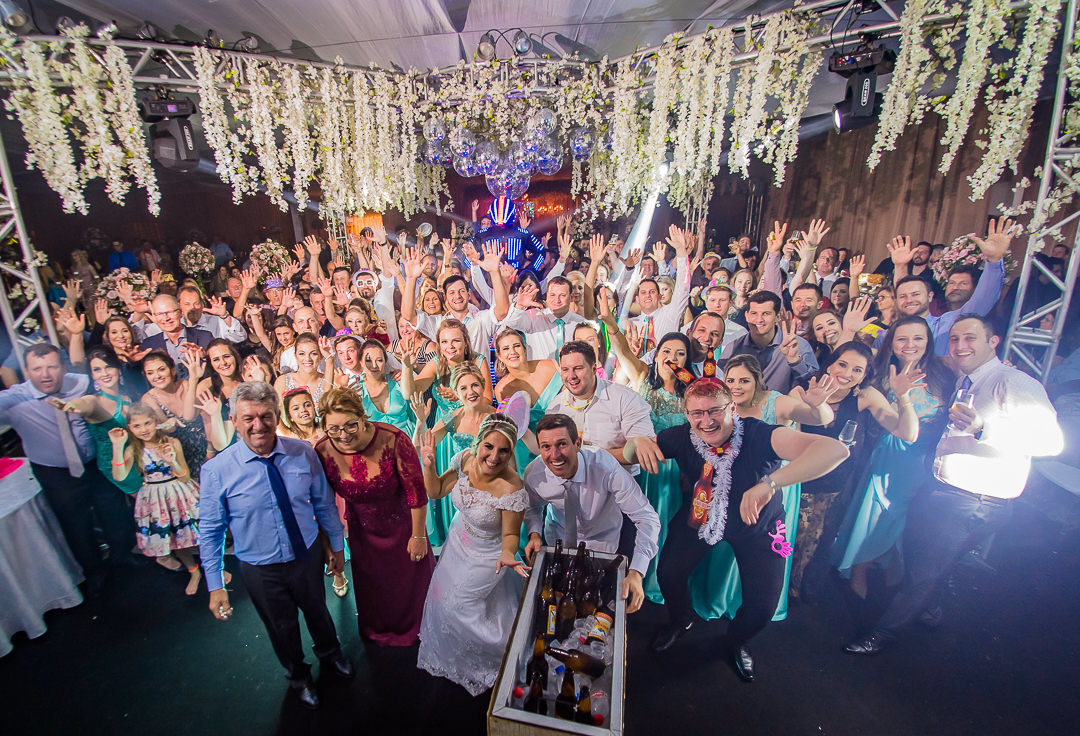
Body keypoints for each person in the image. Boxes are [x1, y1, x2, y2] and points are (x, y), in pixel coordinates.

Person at [846, 315, 1065, 654]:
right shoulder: (964, 378)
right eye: (956, 338)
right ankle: (929, 610)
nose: (961, 345)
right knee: (923, 558)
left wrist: (983, 429)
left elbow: (1051, 443)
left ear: (993, 342)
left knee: (924, 572)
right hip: (944, 489)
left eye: (971, 338)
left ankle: (882, 635)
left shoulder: (1013, 382)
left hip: (975, 499)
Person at [626, 378, 849, 681]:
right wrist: (637, 442)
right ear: (687, 415)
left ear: (732, 408)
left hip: (760, 526)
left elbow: (835, 450)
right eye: (697, 413)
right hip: (700, 519)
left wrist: (770, 483)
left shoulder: (759, 434)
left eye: (715, 411)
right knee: (668, 573)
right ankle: (681, 620)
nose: (706, 421)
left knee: (762, 607)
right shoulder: (680, 437)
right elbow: (626, 453)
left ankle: (736, 640)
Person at [199, 381, 354, 710]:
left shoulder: (303, 453)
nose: (258, 425)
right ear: (234, 420)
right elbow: (211, 531)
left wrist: (337, 547)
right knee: (281, 627)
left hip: (306, 555)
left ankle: (332, 655)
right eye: (248, 418)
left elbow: (323, 504)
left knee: (319, 612)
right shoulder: (216, 471)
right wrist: (215, 584)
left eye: (266, 416)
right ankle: (298, 676)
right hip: (260, 568)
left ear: (277, 416)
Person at [787, 341, 922, 602]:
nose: (847, 374)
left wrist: (903, 397)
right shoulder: (802, 389)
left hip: (835, 485)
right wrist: (814, 405)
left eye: (857, 370)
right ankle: (779, 593)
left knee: (818, 543)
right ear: (830, 364)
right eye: (842, 364)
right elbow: (790, 438)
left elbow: (907, 434)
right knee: (792, 538)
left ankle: (800, 595)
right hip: (798, 480)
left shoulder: (865, 396)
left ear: (864, 376)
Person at [0, 344, 137, 596]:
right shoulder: (13, 400)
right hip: (56, 473)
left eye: (52, 367)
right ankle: (94, 572)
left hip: (94, 464)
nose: (45, 374)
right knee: (76, 523)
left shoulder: (79, 383)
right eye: (37, 369)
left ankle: (123, 555)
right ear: (27, 372)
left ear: (63, 368)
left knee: (113, 510)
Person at [833, 316, 951, 598]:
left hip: (928, 455)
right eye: (902, 338)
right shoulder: (879, 369)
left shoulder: (944, 369)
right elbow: (841, 364)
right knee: (878, 511)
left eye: (918, 338)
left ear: (928, 341)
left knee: (908, 516)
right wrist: (848, 331)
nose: (910, 345)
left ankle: (894, 564)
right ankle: (859, 570)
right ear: (891, 342)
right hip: (891, 452)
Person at [416, 414, 530, 695]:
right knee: (443, 597)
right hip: (459, 540)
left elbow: (510, 534)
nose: (494, 457)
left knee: (460, 605)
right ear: (478, 443)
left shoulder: (512, 487)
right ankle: (455, 653)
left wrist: (508, 553)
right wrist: (428, 465)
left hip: (489, 553)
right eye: (489, 447)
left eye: (504, 451)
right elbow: (436, 490)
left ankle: (499, 656)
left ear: (511, 452)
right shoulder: (465, 459)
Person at [315, 388, 434, 645]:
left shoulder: (393, 439)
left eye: (350, 425)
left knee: (409, 587)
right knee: (375, 589)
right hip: (363, 533)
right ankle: (379, 631)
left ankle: (420, 629)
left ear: (362, 417)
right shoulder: (323, 450)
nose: (343, 435)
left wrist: (418, 536)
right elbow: (322, 504)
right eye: (333, 429)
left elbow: (417, 493)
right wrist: (330, 545)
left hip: (403, 529)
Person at [522, 414, 661, 613]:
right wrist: (534, 533)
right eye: (546, 447)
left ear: (578, 443)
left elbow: (647, 518)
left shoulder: (605, 467)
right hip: (557, 543)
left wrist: (637, 571)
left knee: (597, 606)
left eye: (562, 444)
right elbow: (533, 507)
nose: (555, 455)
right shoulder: (534, 473)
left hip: (602, 545)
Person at [108, 402, 204, 595]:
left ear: (155, 422)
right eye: (137, 426)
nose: (143, 429)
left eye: (147, 423)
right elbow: (119, 476)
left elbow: (184, 476)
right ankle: (194, 571)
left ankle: (214, 568)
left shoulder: (171, 442)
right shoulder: (133, 450)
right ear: (130, 428)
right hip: (155, 499)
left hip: (179, 492)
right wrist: (117, 446)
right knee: (176, 539)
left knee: (200, 533)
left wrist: (172, 461)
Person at [883, 220, 1013, 355]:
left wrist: (994, 261)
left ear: (930, 296)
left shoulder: (948, 324)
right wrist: (900, 266)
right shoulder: (886, 336)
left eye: (916, 294)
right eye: (903, 296)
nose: (909, 299)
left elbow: (984, 300)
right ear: (896, 300)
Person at [545, 341, 659, 477]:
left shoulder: (625, 398)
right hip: (571, 486)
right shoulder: (555, 408)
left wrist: (591, 455)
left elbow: (643, 450)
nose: (571, 376)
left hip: (619, 484)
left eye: (578, 368)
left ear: (594, 368)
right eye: (565, 369)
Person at [52, 347, 142, 495]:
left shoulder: (129, 394)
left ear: (118, 368)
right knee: (147, 501)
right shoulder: (94, 401)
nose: (104, 373)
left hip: (138, 454)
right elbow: (83, 403)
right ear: (92, 375)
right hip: (117, 463)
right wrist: (72, 405)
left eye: (108, 367)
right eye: (97, 370)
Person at [721, 291, 818, 393]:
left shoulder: (797, 345)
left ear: (777, 316)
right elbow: (720, 385)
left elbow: (812, 386)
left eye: (766, 314)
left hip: (781, 402)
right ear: (746, 316)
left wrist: (794, 361)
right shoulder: (733, 347)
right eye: (754, 313)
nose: (759, 319)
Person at [140, 294, 213, 374]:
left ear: (181, 312)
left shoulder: (204, 337)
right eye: (160, 314)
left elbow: (216, 370)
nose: (166, 318)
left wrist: (204, 357)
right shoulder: (149, 345)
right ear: (154, 317)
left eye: (170, 312)